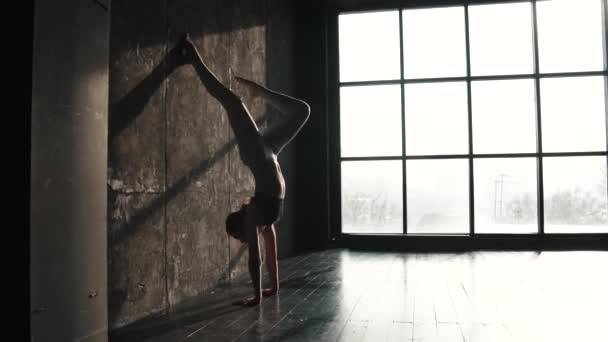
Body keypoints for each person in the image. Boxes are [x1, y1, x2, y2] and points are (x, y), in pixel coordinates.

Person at [176, 34, 310, 306]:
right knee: (302, 111)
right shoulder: (266, 221)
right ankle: (260, 93)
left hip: (255, 152)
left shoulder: (253, 216)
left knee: (234, 102)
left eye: (240, 237)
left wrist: (256, 298)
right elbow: (270, 254)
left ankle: (194, 59)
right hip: (270, 150)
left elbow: (254, 260)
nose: (246, 240)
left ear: (240, 228)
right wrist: (273, 288)